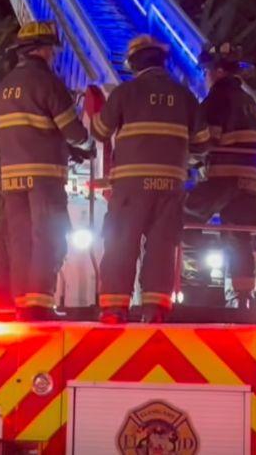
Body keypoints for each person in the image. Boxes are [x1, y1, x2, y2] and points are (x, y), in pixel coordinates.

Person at [91, 35, 209, 323]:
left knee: (121, 242)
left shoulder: (124, 93)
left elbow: (99, 131)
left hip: (131, 187)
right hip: (170, 186)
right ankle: (155, 310)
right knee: (162, 246)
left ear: (133, 63)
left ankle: (115, 309)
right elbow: (203, 142)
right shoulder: (184, 96)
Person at [0, 21, 93, 321]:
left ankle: (23, 302)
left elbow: (32, 128)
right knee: (50, 236)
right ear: (42, 50)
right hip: (44, 176)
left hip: (12, 178)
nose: (53, 55)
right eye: (51, 49)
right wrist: (86, 142)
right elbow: (73, 132)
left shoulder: (4, 87)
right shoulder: (47, 82)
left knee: (22, 238)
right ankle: (40, 304)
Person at [184, 42, 256, 310]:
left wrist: (185, 157)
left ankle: (195, 270)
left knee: (181, 214)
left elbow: (207, 140)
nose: (205, 77)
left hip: (225, 177)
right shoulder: (250, 102)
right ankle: (243, 299)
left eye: (206, 71)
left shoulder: (216, 97)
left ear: (217, 71)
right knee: (239, 237)